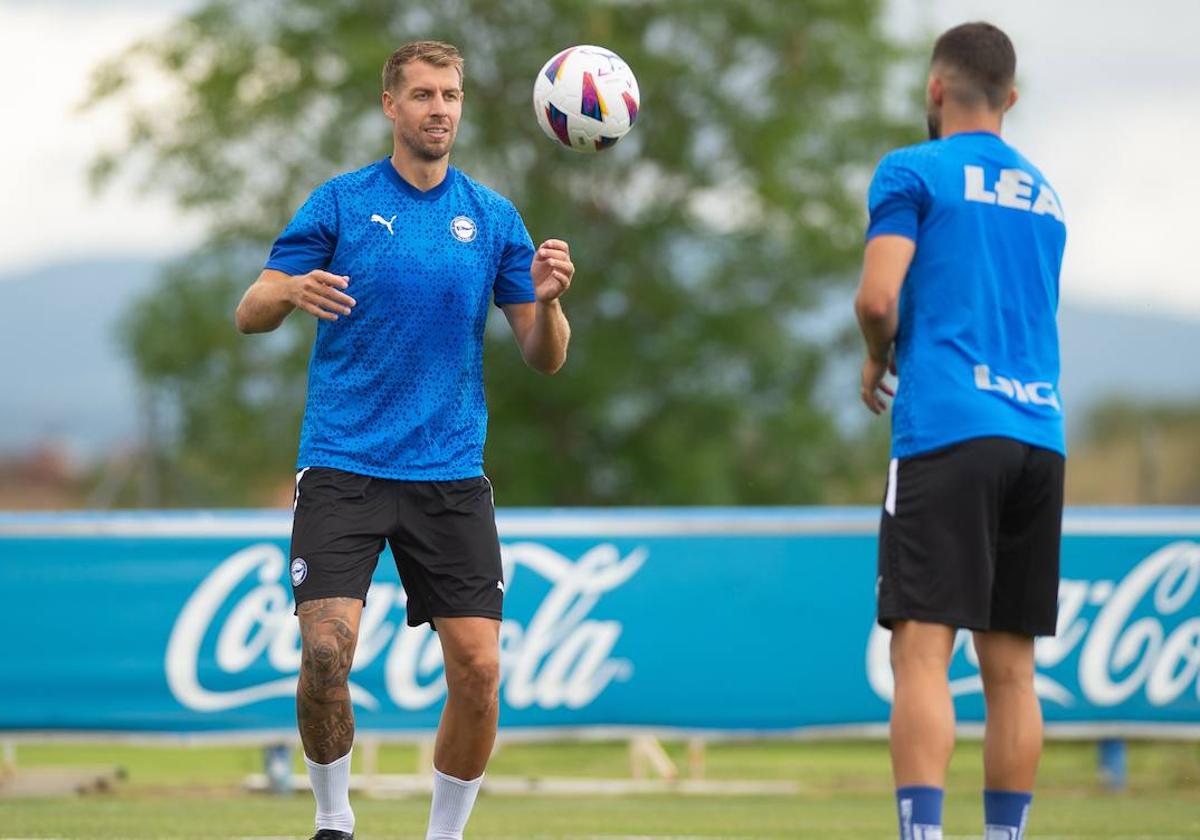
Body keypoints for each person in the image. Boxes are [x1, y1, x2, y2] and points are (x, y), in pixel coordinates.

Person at [235, 40, 574, 840]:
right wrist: (286, 288)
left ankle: (444, 834)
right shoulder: (342, 203)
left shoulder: (492, 218)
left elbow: (544, 357)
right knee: (325, 653)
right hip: (344, 463)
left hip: (450, 472)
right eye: (423, 95)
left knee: (482, 671)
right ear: (391, 105)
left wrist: (553, 303)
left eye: (451, 96)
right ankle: (333, 820)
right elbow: (249, 310)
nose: (439, 109)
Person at [854, 22, 1066, 840]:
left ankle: (922, 834)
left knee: (922, 653)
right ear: (1010, 98)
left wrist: (878, 356)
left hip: (948, 427)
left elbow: (879, 298)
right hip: (1038, 435)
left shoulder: (913, 168)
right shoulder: (1045, 195)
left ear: (935, 91)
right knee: (1012, 671)